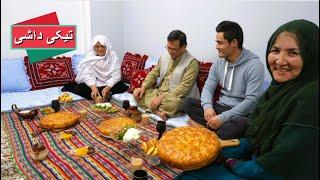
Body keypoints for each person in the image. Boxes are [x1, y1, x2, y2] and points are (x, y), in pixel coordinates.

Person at [175, 19, 319, 180]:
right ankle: (210, 132)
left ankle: (206, 130)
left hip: (268, 169)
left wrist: (232, 162)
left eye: (292, 53)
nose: (280, 61)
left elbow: (282, 161)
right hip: (225, 114)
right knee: (190, 111)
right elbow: (255, 137)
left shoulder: (310, 97)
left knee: (241, 126)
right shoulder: (277, 89)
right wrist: (208, 109)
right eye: (276, 51)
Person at [182, 21, 265, 139]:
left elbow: (251, 101)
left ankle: (202, 129)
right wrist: (208, 108)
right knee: (187, 103)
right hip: (219, 108)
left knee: (242, 126)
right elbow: (208, 88)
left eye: (220, 43)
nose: (216, 47)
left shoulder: (255, 66)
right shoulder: (219, 62)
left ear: (234, 43)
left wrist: (223, 118)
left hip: (240, 113)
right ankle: (213, 132)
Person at [133, 30, 200, 120]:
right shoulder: (165, 56)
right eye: (168, 48)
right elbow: (154, 73)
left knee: (173, 104)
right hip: (159, 92)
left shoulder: (192, 63)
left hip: (176, 97)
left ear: (184, 47)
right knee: (136, 93)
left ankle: (153, 108)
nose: (170, 51)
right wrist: (143, 87)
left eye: (173, 49)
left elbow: (184, 88)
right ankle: (157, 111)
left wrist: (161, 97)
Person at [62, 35, 128, 101]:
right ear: (93, 47)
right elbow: (87, 75)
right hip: (95, 83)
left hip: (109, 83)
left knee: (119, 86)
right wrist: (93, 88)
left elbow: (116, 76)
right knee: (82, 88)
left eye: (102, 46)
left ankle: (104, 94)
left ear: (107, 46)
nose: (100, 49)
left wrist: (107, 87)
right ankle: (102, 95)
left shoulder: (113, 56)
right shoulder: (90, 57)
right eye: (97, 46)